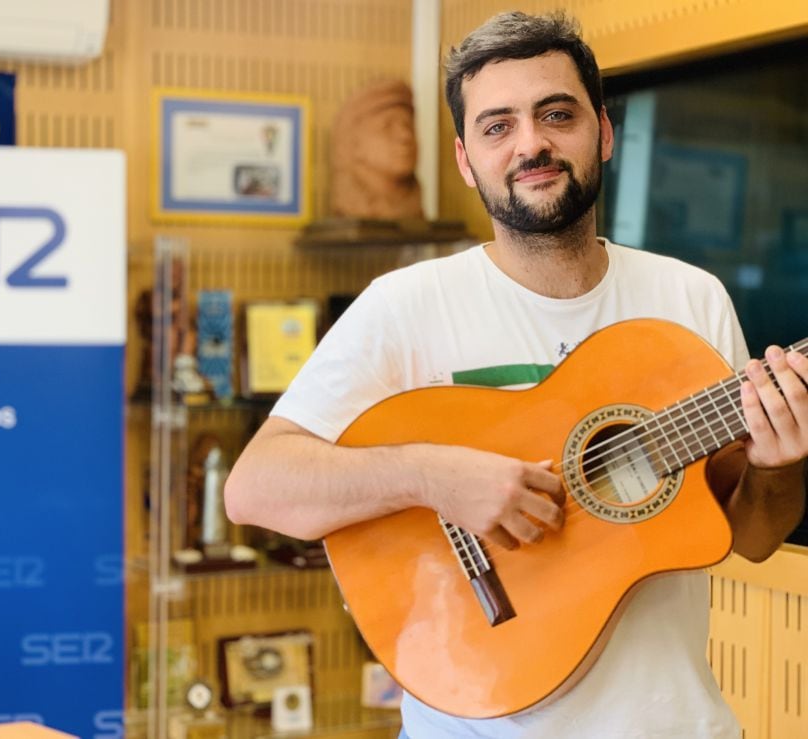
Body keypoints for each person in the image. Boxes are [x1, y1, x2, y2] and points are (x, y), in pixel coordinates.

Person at [224, 10, 807, 739]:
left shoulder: (692, 298)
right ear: (468, 160)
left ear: (603, 131)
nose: (531, 143)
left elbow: (749, 534)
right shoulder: (408, 304)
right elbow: (254, 488)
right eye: (498, 126)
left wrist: (780, 467)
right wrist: (434, 477)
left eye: (555, 114)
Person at [329, 78, 424, 219]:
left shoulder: (413, 210)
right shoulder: (351, 208)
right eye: (387, 126)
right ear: (355, 144)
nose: (406, 136)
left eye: (408, 126)